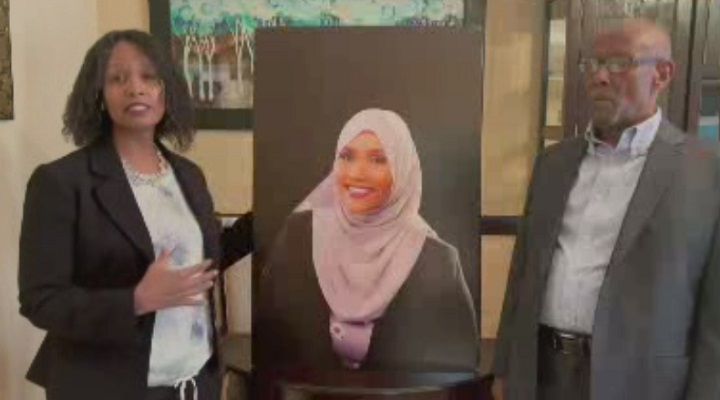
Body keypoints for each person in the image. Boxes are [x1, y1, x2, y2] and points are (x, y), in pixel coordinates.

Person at [17, 30, 252, 400]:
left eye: (149, 77)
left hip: (195, 383)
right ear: (98, 94)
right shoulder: (60, 182)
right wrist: (136, 300)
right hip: (107, 388)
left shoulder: (188, 175)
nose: (135, 88)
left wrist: (265, 215)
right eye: (117, 78)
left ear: (166, 91)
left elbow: (202, 264)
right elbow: (41, 300)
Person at [493, 19, 720, 400]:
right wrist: (504, 369)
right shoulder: (552, 164)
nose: (599, 76)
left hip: (643, 383)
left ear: (662, 74)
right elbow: (522, 275)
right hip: (542, 374)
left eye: (619, 63)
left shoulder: (705, 173)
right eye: (593, 63)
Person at [256, 108, 479, 372]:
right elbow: (269, 341)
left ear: (402, 170)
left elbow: (457, 366)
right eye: (347, 157)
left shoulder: (436, 259)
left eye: (378, 160)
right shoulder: (298, 234)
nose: (357, 173)